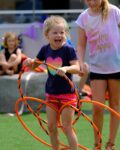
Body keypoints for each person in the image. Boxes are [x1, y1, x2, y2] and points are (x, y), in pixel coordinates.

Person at [75, 0, 120, 149]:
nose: (91, 2)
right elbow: (81, 44)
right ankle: (97, 144)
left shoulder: (114, 11)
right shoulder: (83, 18)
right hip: (97, 67)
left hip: (117, 65)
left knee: (115, 105)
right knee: (98, 107)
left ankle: (111, 144)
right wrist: (81, 61)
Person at [24, 15, 80, 150]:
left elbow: (77, 68)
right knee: (52, 127)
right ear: (47, 34)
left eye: (62, 32)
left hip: (68, 94)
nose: (59, 35)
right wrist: (29, 62)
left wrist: (66, 68)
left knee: (67, 127)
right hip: (51, 94)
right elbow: (34, 65)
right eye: (55, 32)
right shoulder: (45, 49)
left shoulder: (68, 50)